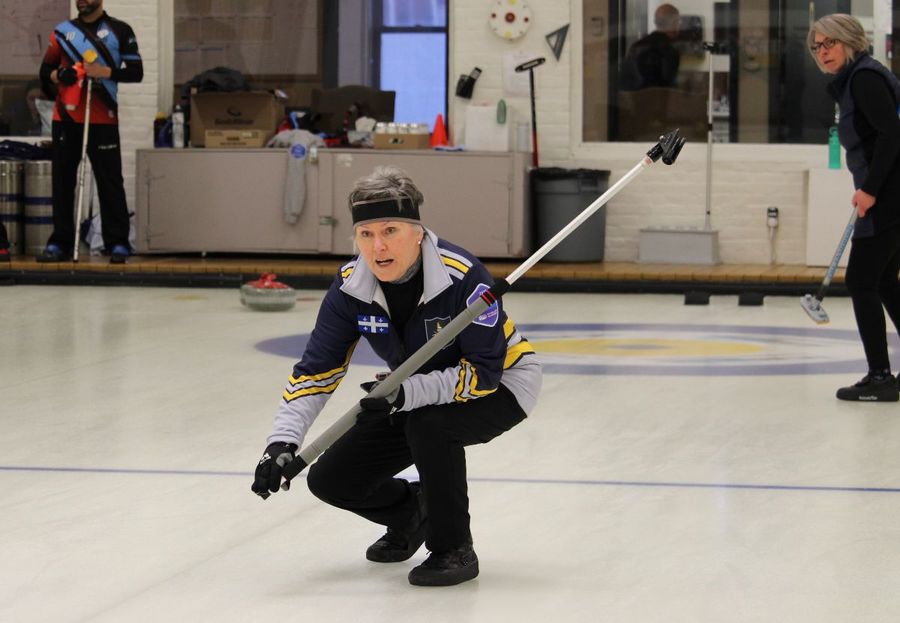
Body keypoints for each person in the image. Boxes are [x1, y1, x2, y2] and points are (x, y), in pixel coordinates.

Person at [251, 166, 542, 586]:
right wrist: (282, 442)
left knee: (430, 427)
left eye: (390, 230)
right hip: (411, 389)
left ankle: (453, 548)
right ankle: (411, 513)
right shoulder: (350, 288)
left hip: (504, 384)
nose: (378, 246)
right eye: (366, 234)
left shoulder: (463, 276)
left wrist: (405, 394)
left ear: (418, 232)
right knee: (330, 479)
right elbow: (317, 371)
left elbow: (484, 375)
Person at [808, 14, 900, 401]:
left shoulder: (864, 79)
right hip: (889, 191)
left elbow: (891, 135)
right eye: (817, 46)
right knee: (883, 281)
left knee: (861, 281)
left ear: (850, 41)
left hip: (889, 194)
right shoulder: (857, 78)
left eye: (830, 43)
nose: (823, 52)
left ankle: (880, 377)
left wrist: (871, 189)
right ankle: (881, 374)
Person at [36, 0, 143, 264]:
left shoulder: (120, 30)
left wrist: (103, 71)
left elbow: (136, 72)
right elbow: (45, 71)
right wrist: (60, 75)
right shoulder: (62, 32)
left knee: (110, 181)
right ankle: (60, 242)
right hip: (66, 117)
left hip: (103, 119)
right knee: (63, 181)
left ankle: (117, 242)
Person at [621, 3, 681, 90]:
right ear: (674, 23)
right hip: (660, 97)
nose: (679, 26)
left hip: (635, 97)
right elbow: (668, 85)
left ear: (655, 22)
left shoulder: (636, 46)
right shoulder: (670, 50)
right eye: (678, 22)